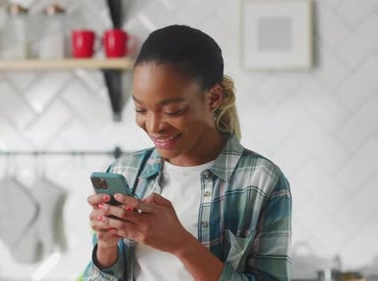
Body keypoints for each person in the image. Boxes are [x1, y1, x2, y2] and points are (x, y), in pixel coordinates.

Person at [83, 24, 292, 281]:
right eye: (141, 110)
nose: (154, 126)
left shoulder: (260, 180)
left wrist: (181, 244)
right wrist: (106, 247)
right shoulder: (124, 172)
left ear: (213, 98)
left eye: (173, 111)